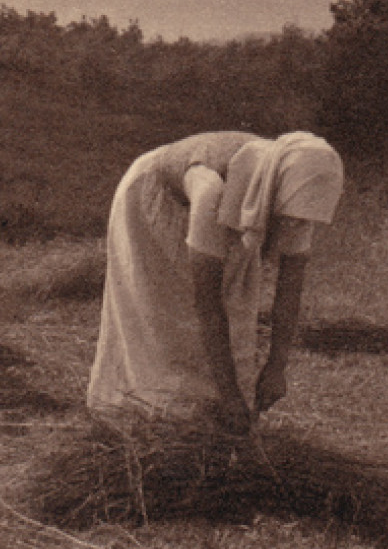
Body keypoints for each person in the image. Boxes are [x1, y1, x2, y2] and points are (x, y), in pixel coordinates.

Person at [86, 130, 346, 435]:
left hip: (231, 208)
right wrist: (231, 396)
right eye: (290, 218)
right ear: (275, 192)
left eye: (300, 219)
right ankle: (141, 409)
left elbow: (289, 291)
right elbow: (207, 304)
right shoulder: (213, 190)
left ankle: (208, 411)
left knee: (236, 307)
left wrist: (277, 367)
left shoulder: (293, 196)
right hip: (154, 198)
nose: (294, 226)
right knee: (158, 312)